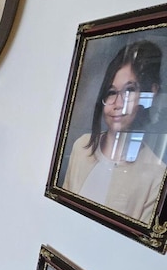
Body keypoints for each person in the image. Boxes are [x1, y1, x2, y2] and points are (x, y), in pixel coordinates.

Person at [63, 40, 167, 222]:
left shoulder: (156, 175)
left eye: (129, 91)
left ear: (150, 93)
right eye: (111, 92)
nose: (118, 104)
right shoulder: (82, 147)